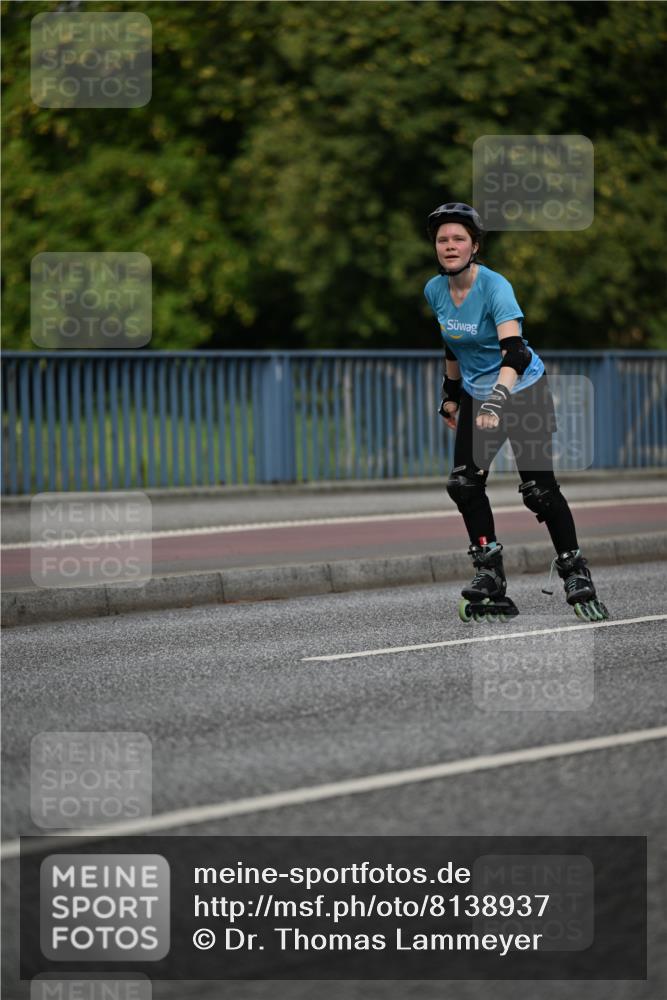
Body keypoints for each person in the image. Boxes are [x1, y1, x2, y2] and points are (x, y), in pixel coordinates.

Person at [423, 202, 609, 622]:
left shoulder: (495, 287)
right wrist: (451, 394)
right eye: (442, 239)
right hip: (477, 393)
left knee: (538, 490)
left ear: (474, 246)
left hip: (523, 390)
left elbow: (517, 353)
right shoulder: (435, 290)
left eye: (458, 239)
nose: (449, 246)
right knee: (464, 484)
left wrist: (496, 399)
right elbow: (453, 343)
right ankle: (489, 573)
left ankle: (575, 571)